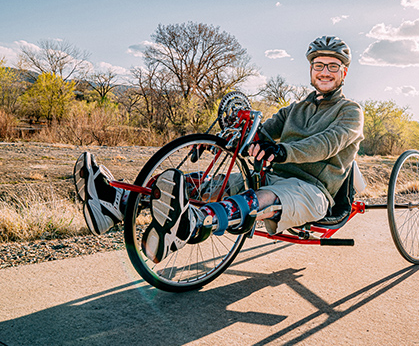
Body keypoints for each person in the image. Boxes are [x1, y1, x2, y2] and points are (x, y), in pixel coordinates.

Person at [73, 35, 364, 263]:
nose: (325, 72)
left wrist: (281, 151)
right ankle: (116, 201)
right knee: (199, 183)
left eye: (332, 66)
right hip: (271, 176)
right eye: (319, 65)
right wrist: (229, 136)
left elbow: (328, 144)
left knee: (261, 197)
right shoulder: (295, 109)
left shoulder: (351, 111)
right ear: (311, 70)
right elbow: (263, 133)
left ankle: (195, 222)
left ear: (344, 72)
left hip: (311, 190)